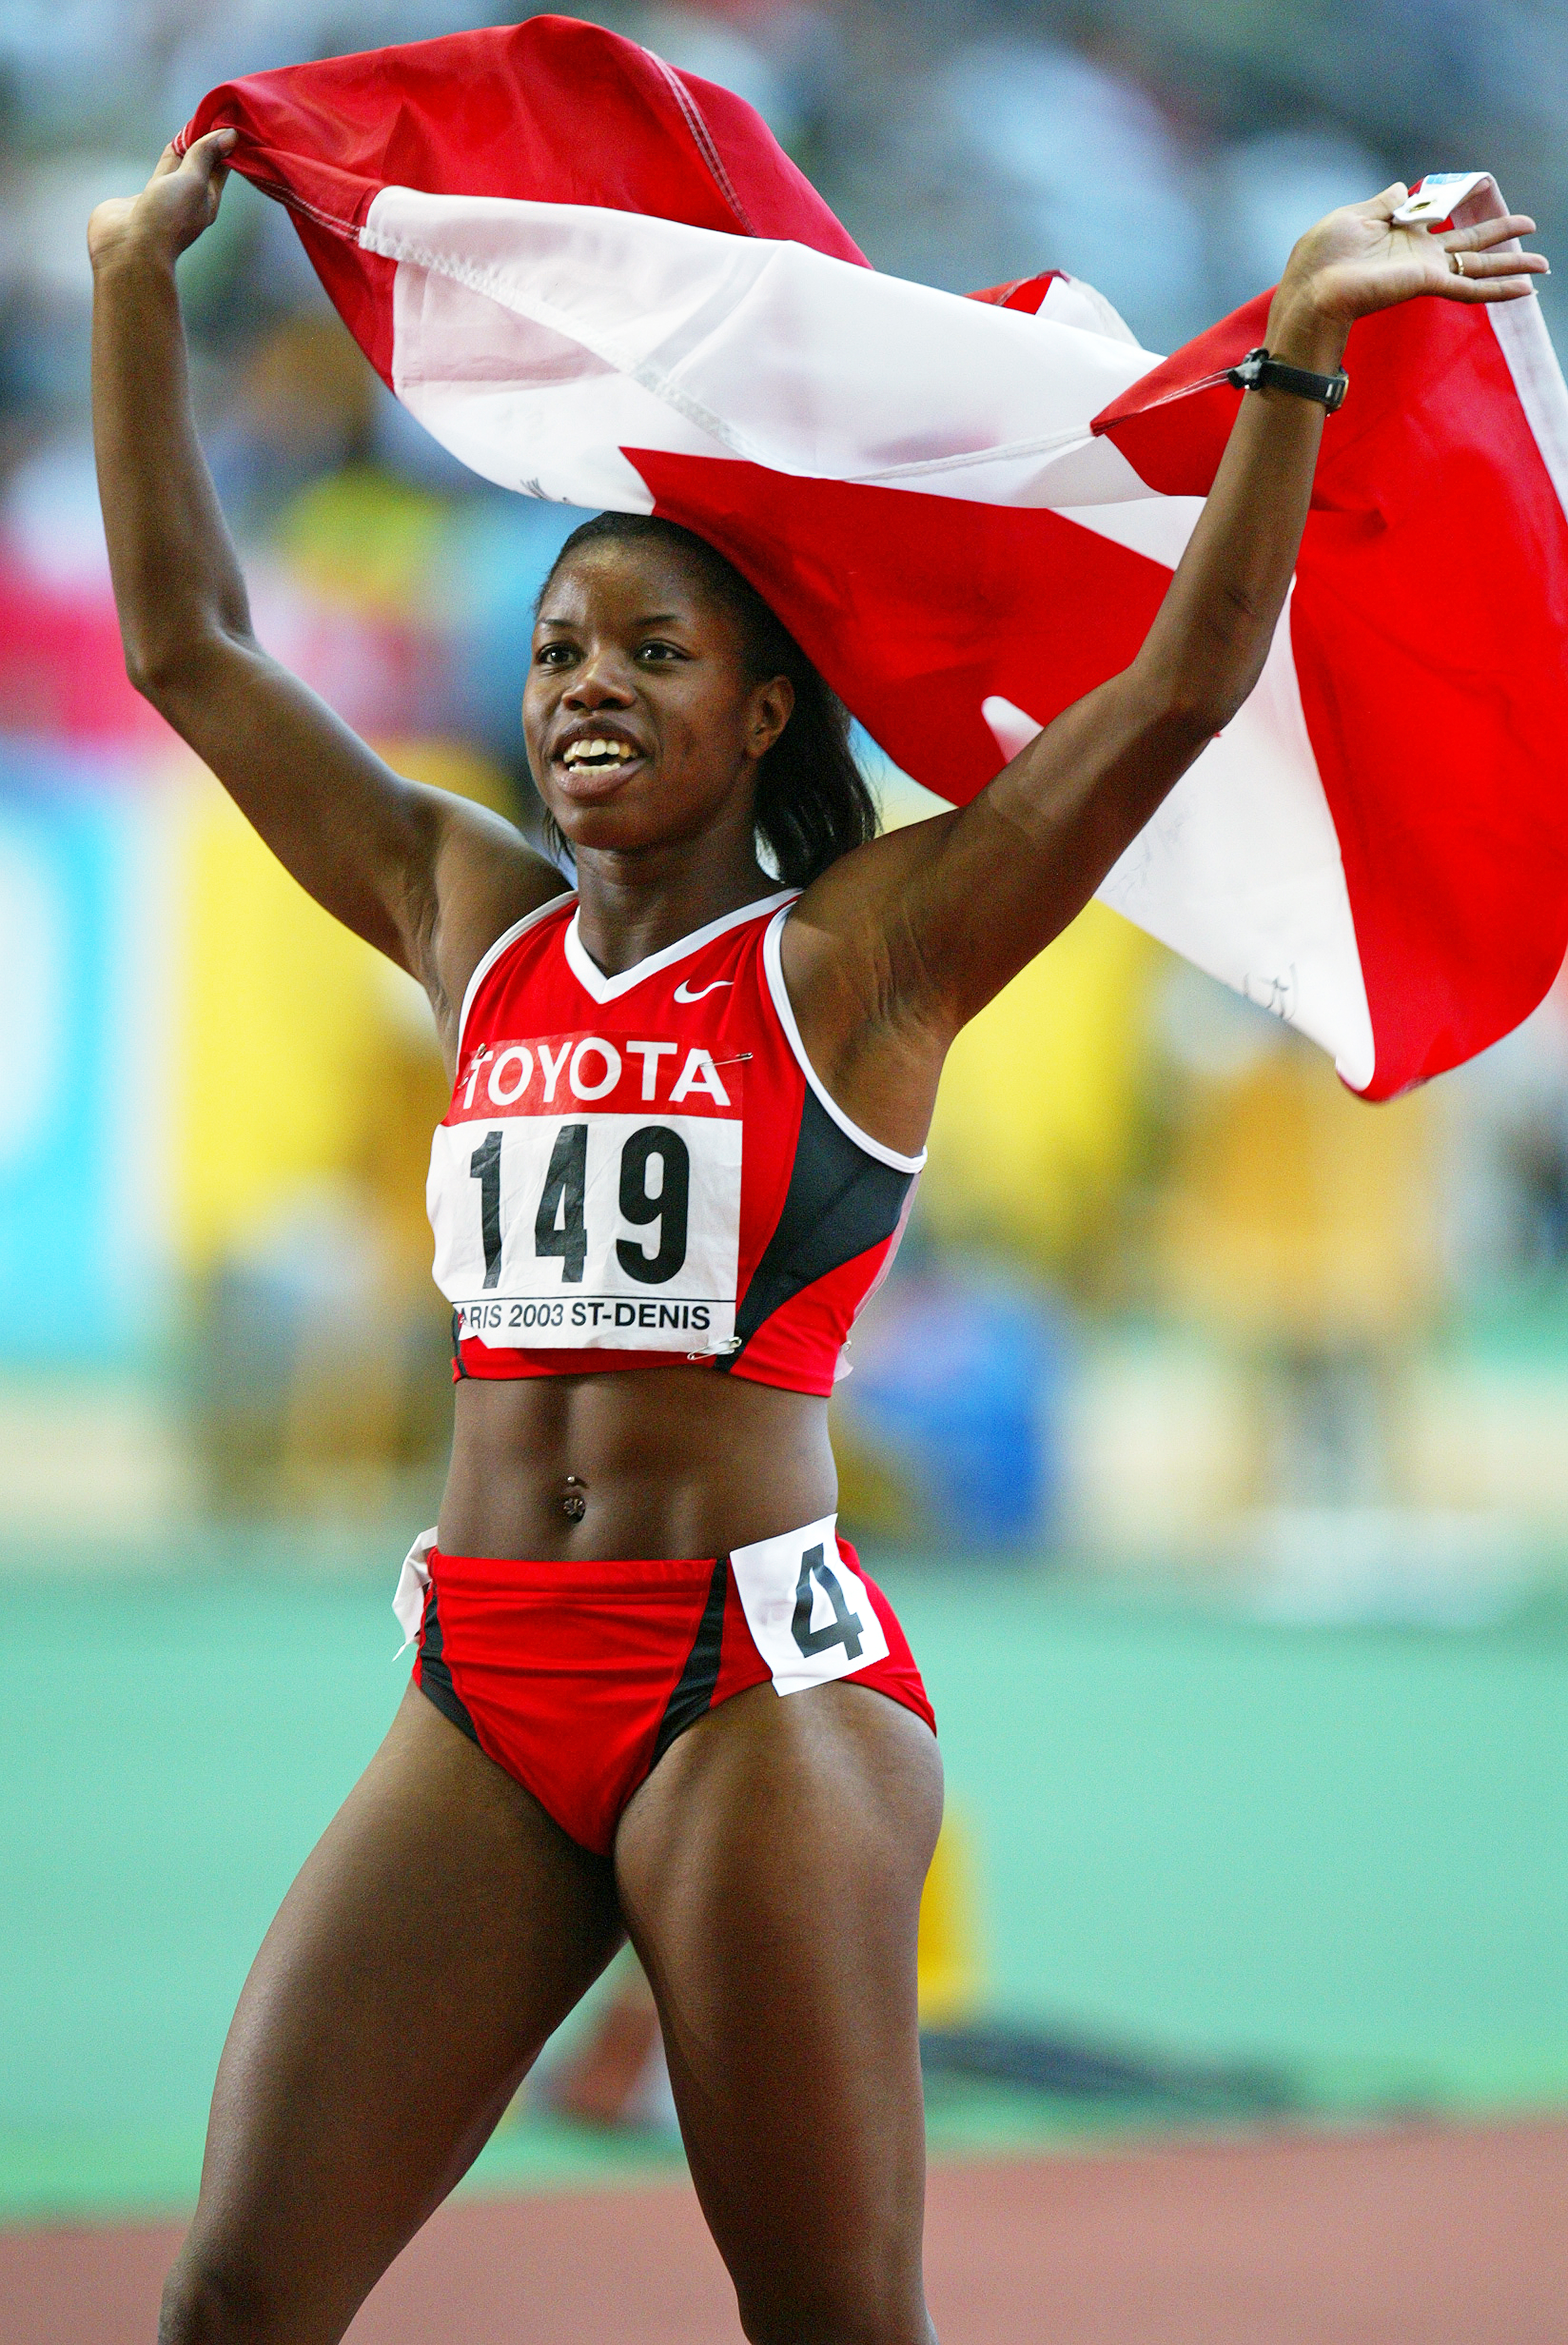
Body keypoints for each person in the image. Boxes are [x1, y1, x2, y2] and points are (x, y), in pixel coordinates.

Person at [89, 127, 1544, 2345]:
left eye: (650, 653)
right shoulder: (460, 916)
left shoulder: (863, 961)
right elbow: (194, 655)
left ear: (761, 711)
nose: (583, 685)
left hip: (748, 1692)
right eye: (562, 648)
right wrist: (130, 289)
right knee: (234, 2297)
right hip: (479, 1677)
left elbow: (1161, 699)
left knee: (832, 2328)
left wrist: (1296, 364)